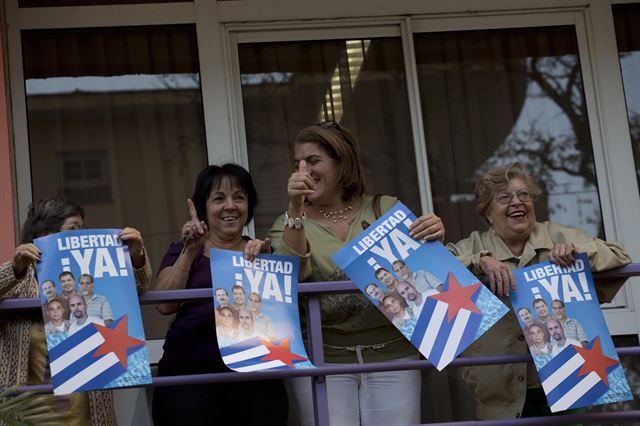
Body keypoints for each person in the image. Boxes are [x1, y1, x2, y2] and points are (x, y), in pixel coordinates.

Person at [267, 122, 445, 426]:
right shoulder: (286, 223)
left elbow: (424, 274)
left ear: (341, 162)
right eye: (296, 163)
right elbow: (288, 281)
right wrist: (296, 208)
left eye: (313, 160)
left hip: (393, 356)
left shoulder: (384, 209)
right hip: (324, 360)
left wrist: (434, 236)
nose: (302, 170)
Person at [447, 162, 631, 419]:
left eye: (524, 194)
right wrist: (479, 261)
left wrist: (579, 254)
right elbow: (434, 271)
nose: (517, 202)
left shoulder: (556, 234)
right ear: (487, 212)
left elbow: (620, 255)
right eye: (504, 197)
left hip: (568, 384)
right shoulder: (472, 245)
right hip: (499, 398)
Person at [151, 164, 288, 426]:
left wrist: (267, 263)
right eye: (218, 198)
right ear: (204, 208)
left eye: (239, 197)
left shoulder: (262, 252)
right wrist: (190, 252)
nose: (230, 206)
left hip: (255, 376)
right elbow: (164, 304)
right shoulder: (183, 249)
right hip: (189, 376)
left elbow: (277, 322)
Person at [2, 196, 151, 425]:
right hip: (29, 411)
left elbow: (141, 285)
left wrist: (136, 256)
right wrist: (14, 268)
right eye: (74, 229)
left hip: (86, 410)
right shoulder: (20, 278)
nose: (82, 235)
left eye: (83, 228)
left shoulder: (90, 277)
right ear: (45, 236)